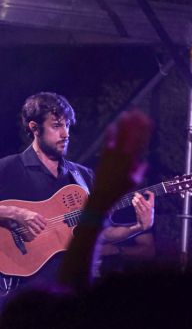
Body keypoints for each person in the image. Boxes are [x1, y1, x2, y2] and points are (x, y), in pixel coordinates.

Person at [0, 92, 155, 292]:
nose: (65, 134)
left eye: (67, 125)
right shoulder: (9, 167)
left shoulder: (82, 175)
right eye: (57, 126)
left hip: (70, 289)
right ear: (34, 128)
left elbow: (101, 233)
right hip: (19, 292)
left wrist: (138, 227)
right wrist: (15, 213)